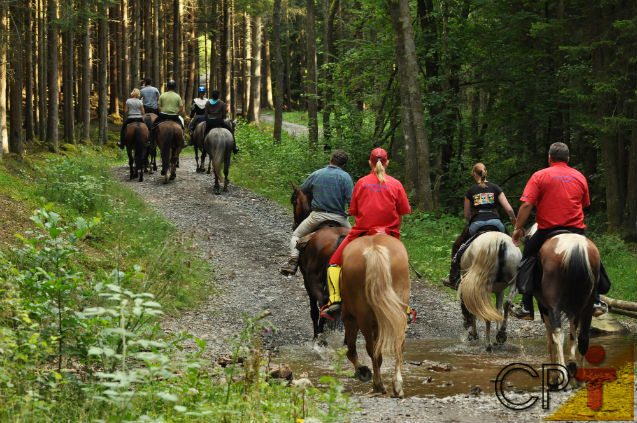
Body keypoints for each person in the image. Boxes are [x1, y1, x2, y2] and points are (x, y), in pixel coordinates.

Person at [510, 142, 610, 320]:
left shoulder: (539, 176)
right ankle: (595, 300)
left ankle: (526, 306)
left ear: (549, 158)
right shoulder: (579, 176)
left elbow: (526, 205)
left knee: (529, 257)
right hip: (576, 230)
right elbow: (585, 203)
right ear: (568, 159)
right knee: (594, 257)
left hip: (548, 230)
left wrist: (518, 228)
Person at [320, 147, 411, 319]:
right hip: (389, 234)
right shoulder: (396, 184)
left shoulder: (361, 183)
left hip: (361, 233)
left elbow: (353, 211)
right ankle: (405, 308)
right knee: (403, 268)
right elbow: (401, 215)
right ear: (387, 163)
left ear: (370, 162)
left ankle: (334, 301)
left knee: (334, 264)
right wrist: (394, 231)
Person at [441, 163, 517, 289]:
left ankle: (453, 279)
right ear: (486, 172)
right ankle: (517, 276)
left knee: (457, 246)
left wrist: (472, 220)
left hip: (477, 224)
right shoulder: (496, 188)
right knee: (512, 245)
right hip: (496, 224)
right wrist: (514, 220)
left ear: (474, 174)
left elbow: (466, 215)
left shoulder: (470, 191)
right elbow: (508, 209)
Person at [279, 149, 354, 276]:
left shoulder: (317, 174)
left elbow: (302, 192)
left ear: (330, 160)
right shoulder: (346, 177)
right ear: (343, 165)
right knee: (357, 240)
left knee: (296, 236)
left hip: (318, 216)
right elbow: (351, 202)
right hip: (340, 218)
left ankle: (293, 262)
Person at [204, 90, 238, 154]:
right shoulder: (222, 103)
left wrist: (208, 120)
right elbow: (224, 114)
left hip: (210, 122)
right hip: (219, 121)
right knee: (231, 130)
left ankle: (204, 147)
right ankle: (234, 147)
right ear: (218, 96)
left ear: (212, 96)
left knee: (205, 133)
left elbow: (205, 113)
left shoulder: (208, 103)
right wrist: (222, 118)